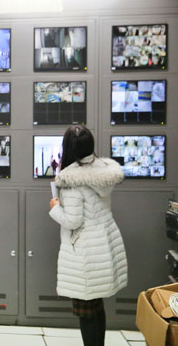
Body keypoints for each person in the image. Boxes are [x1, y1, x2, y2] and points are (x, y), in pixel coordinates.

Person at [49, 125, 127, 346]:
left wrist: (55, 207)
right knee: (96, 308)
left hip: (85, 253)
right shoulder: (102, 169)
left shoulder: (71, 180)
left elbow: (73, 220)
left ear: (68, 148)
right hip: (103, 246)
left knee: (86, 313)